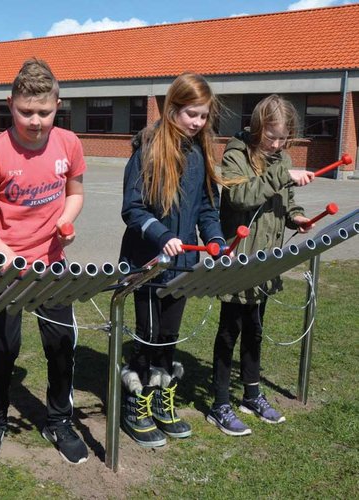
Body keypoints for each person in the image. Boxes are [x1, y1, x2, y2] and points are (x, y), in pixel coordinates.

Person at [0, 58, 88, 465]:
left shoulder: (69, 143)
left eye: (44, 111)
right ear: (10, 104)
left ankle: (59, 419)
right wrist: (5, 254)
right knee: (3, 350)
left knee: (61, 346)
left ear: (58, 104)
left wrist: (67, 220)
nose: (35, 121)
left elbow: (75, 192)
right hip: (5, 270)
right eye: (25, 112)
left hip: (53, 265)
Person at [119, 73, 226, 447]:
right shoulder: (147, 148)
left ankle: (162, 401)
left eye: (203, 116)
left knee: (167, 337)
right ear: (172, 109)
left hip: (181, 268)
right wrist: (163, 237)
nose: (197, 123)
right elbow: (132, 209)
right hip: (146, 264)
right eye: (191, 114)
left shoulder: (199, 153)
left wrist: (214, 238)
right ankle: (137, 402)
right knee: (147, 336)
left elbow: (206, 208)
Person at [207, 94, 315, 437]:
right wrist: (282, 175)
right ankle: (219, 402)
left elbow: (286, 199)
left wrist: (296, 217)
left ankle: (251, 394)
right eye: (272, 136)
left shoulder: (281, 157)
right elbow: (239, 197)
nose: (278, 143)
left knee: (255, 329)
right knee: (230, 331)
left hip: (266, 260)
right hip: (239, 259)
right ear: (257, 127)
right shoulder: (236, 152)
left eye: (284, 138)